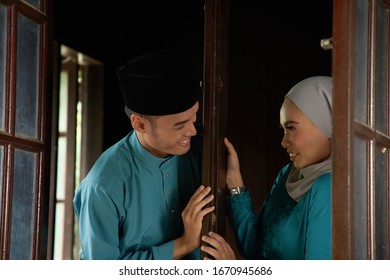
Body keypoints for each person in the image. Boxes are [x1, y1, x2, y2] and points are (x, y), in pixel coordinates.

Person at [73, 50, 215, 260]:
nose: (192, 131)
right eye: (180, 125)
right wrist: (184, 244)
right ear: (140, 124)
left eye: (194, 118)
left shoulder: (200, 147)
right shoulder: (102, 186)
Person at [201, 76, 333, 260]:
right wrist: (233, 180)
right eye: (283, 130)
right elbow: (257, 248)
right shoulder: (288, 174)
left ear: (327, 125)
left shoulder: (329, 188)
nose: (283, 142)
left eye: (292, 128)